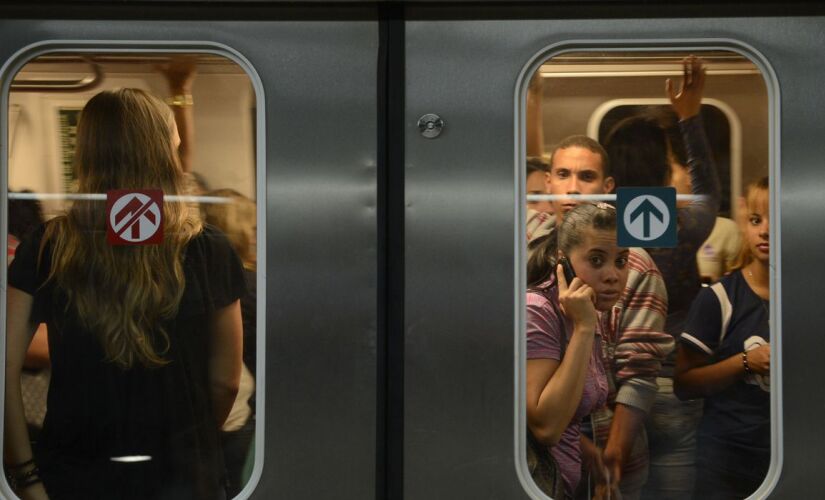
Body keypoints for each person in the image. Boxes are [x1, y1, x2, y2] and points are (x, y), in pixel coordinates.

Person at [5, 88, 246, 500]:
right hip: (181, 477)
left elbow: (3, 365)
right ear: (163, 151)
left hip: (75, 474)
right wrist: (192, 442)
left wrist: (26, 479)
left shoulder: (47, 246)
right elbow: (225, 381)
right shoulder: (208, 249)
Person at [527, 134, 671, 500]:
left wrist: (610, 460)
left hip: (602, 435)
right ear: (548, 182)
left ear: (608, 187)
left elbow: (638, 374)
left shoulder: (636, 265)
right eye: (562, 174)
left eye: (586, 177)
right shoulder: (527, 251)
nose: (573, 188)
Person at [604, 55, 720, 500]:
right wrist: (691, 118)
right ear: (659, 168)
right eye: (671, 161)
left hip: (612, 391)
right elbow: (708, 193)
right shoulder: (677, 227)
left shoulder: (596, 231)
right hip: (670, 383)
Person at [674, 176, 770, 499]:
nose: (765, 231)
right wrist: (744, 362)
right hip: (727, 455)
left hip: (792, 447)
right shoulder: (720, 298)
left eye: (777, 219)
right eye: (756, 220)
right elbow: (685, 383)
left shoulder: (808, 300)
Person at [526, 202, 627, 499]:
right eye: (596, 260)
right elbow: (545, 427)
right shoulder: (539, 309)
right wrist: (583, 329)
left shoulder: (584, 307)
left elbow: (567, 407)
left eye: (621, 262)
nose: (612, 275)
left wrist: (591, 455)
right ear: (563, 260)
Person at [201, 188, 257, 497]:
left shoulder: (189, 280)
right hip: (232, 419)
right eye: (252, 227)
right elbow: (228, 382)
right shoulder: (246, 287)